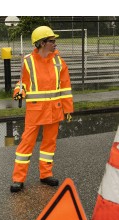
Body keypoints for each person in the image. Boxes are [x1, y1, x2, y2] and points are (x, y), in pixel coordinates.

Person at [10, 25, 74, 193]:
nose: (55, 44)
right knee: (26, 145)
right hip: (35, 111)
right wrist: (18, 92)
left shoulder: (59, 61)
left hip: (55, 110)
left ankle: (46, 174)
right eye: (52, 41)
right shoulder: (28, 61)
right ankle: (18, 179)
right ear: (41, 43)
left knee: (49, 145)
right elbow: (22, 82)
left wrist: (68, 110)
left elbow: (66, 88)